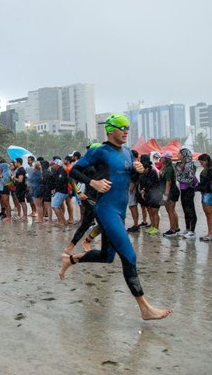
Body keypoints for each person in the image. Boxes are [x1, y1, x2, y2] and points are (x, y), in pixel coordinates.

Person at [62, 113, 172, 320]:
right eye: (122, 127)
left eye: (128, 127)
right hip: (107, 210)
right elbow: (75, 171)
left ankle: (72, 260)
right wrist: (93, 183)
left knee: (107, 256)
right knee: (129, 256)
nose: (126, 131)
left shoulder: (128, 154)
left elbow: (129, 178)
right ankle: (145, 308)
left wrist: (138, 170)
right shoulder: (100, 151)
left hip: (120, 211)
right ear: (110, 129)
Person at [63, 143, 101, 254]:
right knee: (85, 224)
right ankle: (70, 246)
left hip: (102, 198)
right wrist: (79, 192)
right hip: (89, 198)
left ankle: (87, 241)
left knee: (104, 224)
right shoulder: (86, 164)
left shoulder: (105, 165)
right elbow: (72, 177)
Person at [176, 148, 197, 238]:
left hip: (189, 190)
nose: (178, 155)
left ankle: (192, 231)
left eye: (179, 153)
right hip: (183, 190)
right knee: (185, 209)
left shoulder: (190, 165)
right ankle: (187, 229)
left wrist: (180, 178)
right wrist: (180, 177)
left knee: (191, 209)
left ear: (184, 155)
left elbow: (190, 179)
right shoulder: (179, 164)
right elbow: (179, 177)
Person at [139, 154, 162, 235]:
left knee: (155, 211)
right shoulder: (144, 172)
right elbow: (142, 182)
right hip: (148, 194)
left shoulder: (153, 171)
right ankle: (152, 226)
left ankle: (156, 228)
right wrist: (142, 190)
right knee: (151, 211)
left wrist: (144, 190)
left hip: (155, 194)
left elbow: (151, 183)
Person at [159, 152, 180, 237]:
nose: (160, 159)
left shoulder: (168, 169)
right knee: (172, 210)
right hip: (171, 191)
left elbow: (168, 183)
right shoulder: (167, 167)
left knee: (170, 211)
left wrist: (165, 195)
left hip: (170, 192)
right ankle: (176, 227)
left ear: (166, 159)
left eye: (162, 157)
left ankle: (172, 230)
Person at [195, 153, 212, 241]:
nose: (200, 163)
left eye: (201, 161)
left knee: (210, 214)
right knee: (208, 214)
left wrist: (197, 188)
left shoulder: (211, 170)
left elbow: (207, 182)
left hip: (209, 193)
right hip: (205, 192)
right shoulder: (205, 169)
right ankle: (209, 233)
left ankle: (211, 234)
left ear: (206, 161)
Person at [50, 159, 68, 227]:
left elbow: (60, 181)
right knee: (58, 206)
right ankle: (63, 221)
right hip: (60, 191)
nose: (52, 166)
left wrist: (54, 188)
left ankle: (61, 222)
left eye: (53, 164)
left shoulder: (61, 171)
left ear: (57, 164)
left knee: (54, 206)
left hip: (61, 191)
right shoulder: (58, 171)